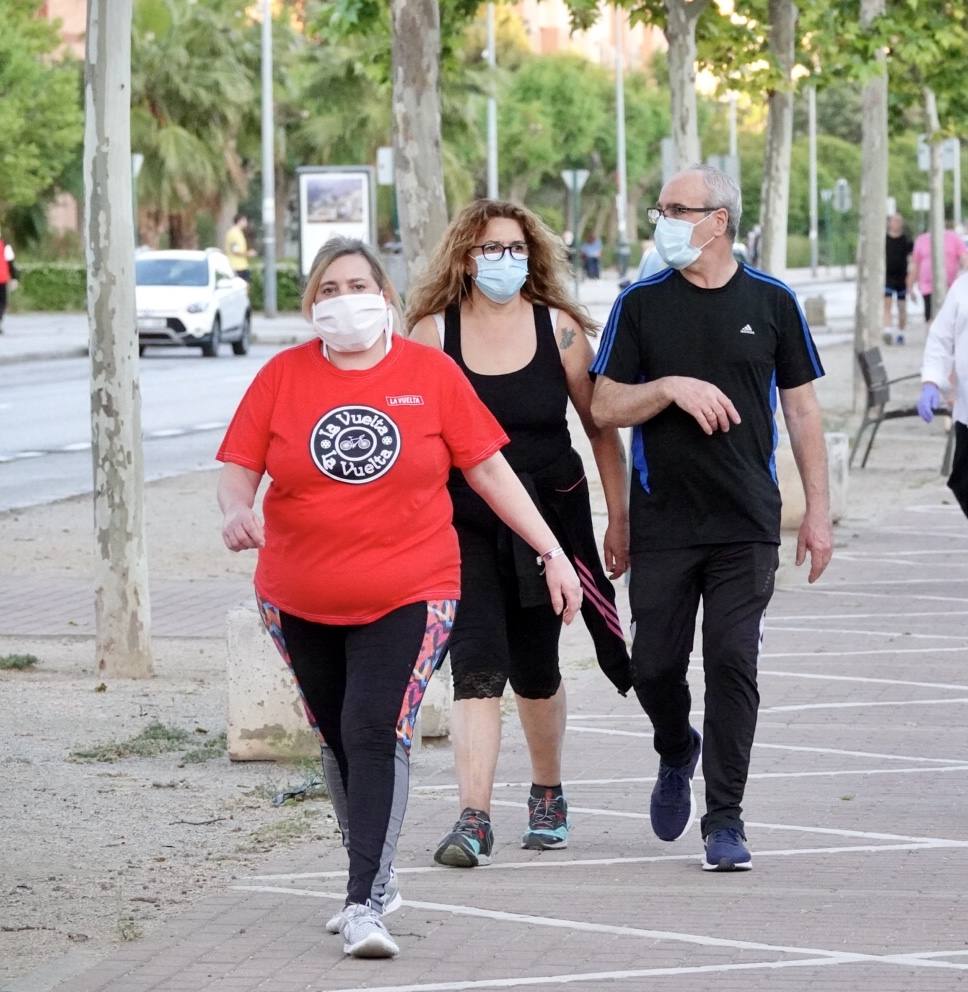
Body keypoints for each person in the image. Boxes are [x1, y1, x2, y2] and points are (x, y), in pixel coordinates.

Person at [216, 237, 581, 958]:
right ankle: (374, 876)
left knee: (372, 729)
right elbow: (238, 465)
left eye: (355, 284)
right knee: (335, 737)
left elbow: (489, 471)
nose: (342, 299)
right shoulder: (282, 377)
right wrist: (235, 509)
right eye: (326, 289)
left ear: (384, 297)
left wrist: (551, 550)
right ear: (309, 306)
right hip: (297, 593)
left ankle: (363, 903)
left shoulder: (431, 375)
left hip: (412, 588)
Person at [589, 165, 833, 872]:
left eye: (675, 209)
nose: (660, 220)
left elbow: (803, 409)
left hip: (746, 522)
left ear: (717, 221)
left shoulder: (773, 301)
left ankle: (724, 817)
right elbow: (604, 406)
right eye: (659, 207)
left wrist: (816, 514)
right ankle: (675, 746)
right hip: (663, 520)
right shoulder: (640, 305)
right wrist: (667, 387)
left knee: (733, 658)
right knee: (654, 664)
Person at [407, 200, 632, 868]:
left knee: (537, 667)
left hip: (550, 518)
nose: (500, 260)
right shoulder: (430, 334)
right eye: (486, 249)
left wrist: (618, 518)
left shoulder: (559, 330)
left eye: (512, 248)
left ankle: (548, 791)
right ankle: (473, 818)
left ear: (531, 254)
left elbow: (600, 428)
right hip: (465, 519)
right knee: (476, 661)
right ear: (464, 259)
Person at [918, 271, 968, 518]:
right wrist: (931, 382)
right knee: (962, 480)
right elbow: (940, 339)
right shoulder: (962, 288)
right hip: (967, 413)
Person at [908, 221, 968, 323]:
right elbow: (915, 264)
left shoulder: (953, 238)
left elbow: (964, 258)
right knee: (930, 315)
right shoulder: (921, 240)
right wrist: (910, 286)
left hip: (949, 285)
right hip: (927, 286)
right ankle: (931, 336)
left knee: (949, 316)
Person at [883, 213, 913, 344]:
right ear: (889, 223)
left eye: (899, 221)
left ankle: (901, 332)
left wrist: (910, 278)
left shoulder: (906, 240)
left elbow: (911, 260)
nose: (896, 223)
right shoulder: (884, 239)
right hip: (888, 277)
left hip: (902, 279)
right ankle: (887, 330)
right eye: (894, 221)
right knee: (887, 304)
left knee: (902, 307)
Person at [224, 213, 255, 282]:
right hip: (236, 267)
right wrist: (248, 253)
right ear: (239, 221)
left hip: (242, 265)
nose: (246, 223)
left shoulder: (239, 232)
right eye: (245, 220)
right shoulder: (233, 233)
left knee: (246, 287)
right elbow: (235, 250)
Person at [0, 227, 19, 335]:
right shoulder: (5, 246)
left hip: (2, 279)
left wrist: (14, 278)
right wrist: (15, 278)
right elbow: (11, 264)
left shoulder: (6, 246)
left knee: (2, 302)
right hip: (2, 278)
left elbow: (11, 264)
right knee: (2, 302)